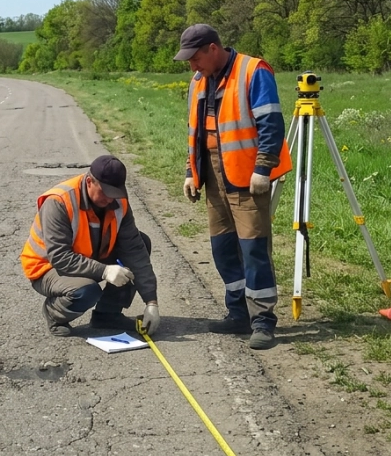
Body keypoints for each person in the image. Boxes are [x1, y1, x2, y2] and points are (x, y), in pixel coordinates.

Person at [174, 24, 287, 350]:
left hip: (247, 177)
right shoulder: (199, 81)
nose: (192, 67)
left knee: (254, 250)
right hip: (213, 176)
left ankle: (262, 321)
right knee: (222, 249)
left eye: (195, 59)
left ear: (213, 48)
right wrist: (190, 171)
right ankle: (237, 313)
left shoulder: (253, 71)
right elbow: (195, 131)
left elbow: (271, 123)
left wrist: (263, 169)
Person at [20, 155, 161, 338]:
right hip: (48, 267)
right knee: (86, 291)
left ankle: (107, 315)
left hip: (88, 256)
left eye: (114, 193)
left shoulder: (118, 202)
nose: (109, 199)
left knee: (142, 242)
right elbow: (59, 257)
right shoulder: (59, 202)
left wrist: (151, 302)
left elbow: (135, 250)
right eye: (105, 192)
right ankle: (54, 314)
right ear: (89, 182)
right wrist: (105, 271)